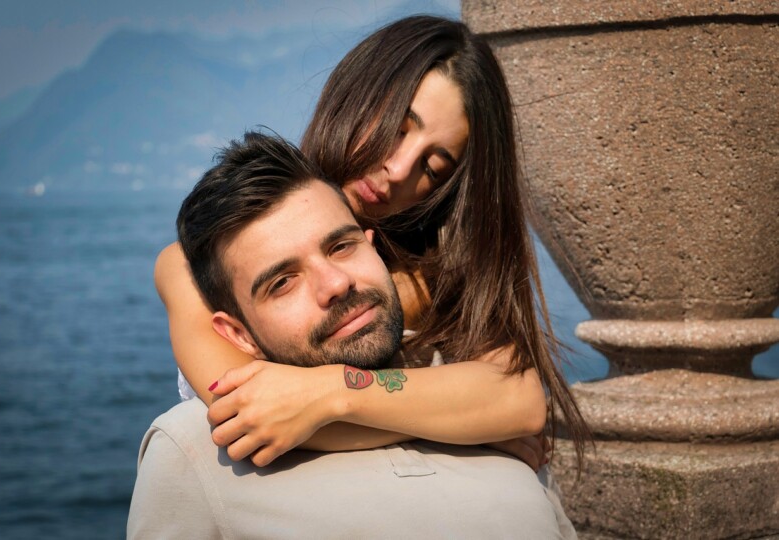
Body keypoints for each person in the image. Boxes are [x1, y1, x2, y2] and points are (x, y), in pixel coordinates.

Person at [154, 15, 588, 469]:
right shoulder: (187, 267)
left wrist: (329, 392)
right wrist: (458, 426)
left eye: (433, 167)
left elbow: (517, 401)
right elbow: (253, 413)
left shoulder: (435, 277)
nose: (399, 170)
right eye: (399, 129)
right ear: (356, 95)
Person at [127, 133, 575, 539]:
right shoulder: (195, 454)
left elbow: (518, 399)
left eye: (341, 246)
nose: (335, 284)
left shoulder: (474, 398)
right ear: (237, 334)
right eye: (282, 281)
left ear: (373, 244)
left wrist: (341, 393)